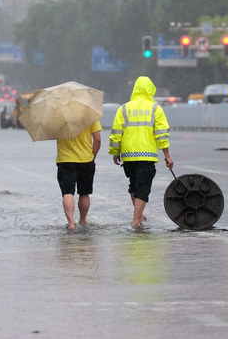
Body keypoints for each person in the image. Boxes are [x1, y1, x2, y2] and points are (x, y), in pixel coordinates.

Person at [109, 76, 173, 227]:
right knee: (143, 189)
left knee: (134, 186)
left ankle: (140, 216)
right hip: (147, 155)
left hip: (128, 156)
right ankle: (136, 220)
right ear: (150, 90)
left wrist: (115, 151)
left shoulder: (123, 108)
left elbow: (116, 133)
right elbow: (161, 134)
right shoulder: (155, 108)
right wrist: (167, 156)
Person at [55, 118, 103, 229]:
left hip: (65, 160)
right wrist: (92, 155)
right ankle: (82, 220)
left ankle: (71, 224)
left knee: (67, 193)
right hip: (86, 159)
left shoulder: (58, 117)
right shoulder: (89, 115)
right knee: (84, 193)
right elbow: (98, 139)